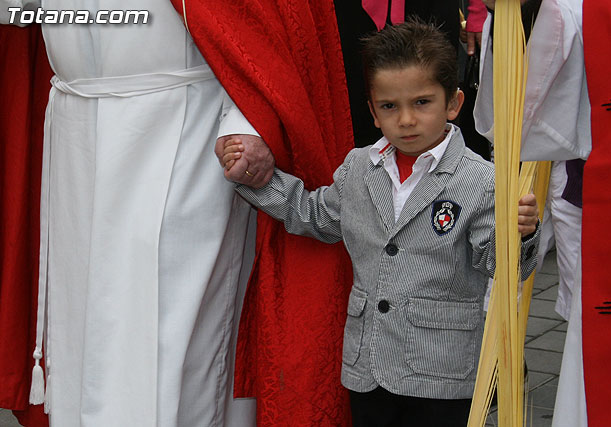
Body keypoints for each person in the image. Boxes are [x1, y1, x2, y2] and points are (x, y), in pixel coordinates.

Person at [0, 1, 354, 426]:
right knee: (83, 330)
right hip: (76, 127)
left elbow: (258, 20)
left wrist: (248, 119)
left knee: (166, 337)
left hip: (186, 127)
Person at [221, 21, 541, 427]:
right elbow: (316, 214)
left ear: (454, 103)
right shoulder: (358, 168)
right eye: (390, 106)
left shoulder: (481, 180)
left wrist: (522, 234)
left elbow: (501, 265)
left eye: (422, 102)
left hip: (442, 374)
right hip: (367, 366)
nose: (406, 119)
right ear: (373, 110)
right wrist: (259, 182)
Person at [473, 0, 590, 425]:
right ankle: (500, 369)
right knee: (589, 315)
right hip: (578, 175)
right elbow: (515, 121)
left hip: (600, 175)